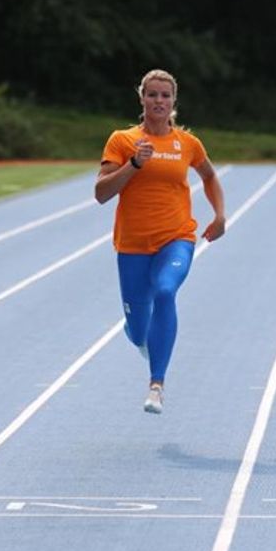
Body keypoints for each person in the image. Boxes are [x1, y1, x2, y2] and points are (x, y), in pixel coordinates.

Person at [94, 69, 227, 415]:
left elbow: (210, 176)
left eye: (165, 96)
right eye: (152, 94)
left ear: (173, 101)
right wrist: (134, 164)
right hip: (133, 246)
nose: (159, 101)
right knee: (139, 331)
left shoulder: (187, 143)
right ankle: (137, 331)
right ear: (142, 98)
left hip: (177, 237)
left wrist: (220, 215)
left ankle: (157, 385)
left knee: (166, 290)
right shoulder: (122, 141)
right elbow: (101, 193)